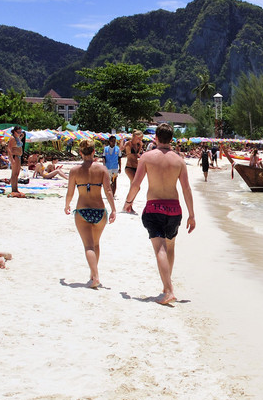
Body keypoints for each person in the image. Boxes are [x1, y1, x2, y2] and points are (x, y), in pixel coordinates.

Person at [122, 123, 195, 305]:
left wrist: (128, 202)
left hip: (154, 207)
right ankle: (166, 286)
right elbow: (186, 188)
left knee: (160, 249)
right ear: (171, 139)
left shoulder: (146, 157)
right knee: (170, 247)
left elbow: (136, 184)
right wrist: (192, 215)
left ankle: (168, 289)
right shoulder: (178, 160)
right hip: (174, 209)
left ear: (156, 138)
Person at [64, 140, 117, 288]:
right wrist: (113, 209)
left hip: (82, 211)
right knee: (96, 244)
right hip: (100, 211)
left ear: (80, 153)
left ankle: (95, 276)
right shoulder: (101, 169)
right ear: (94, 152)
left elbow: (70, 192)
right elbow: (108, 191)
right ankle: (93, 274)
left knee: (88, 246)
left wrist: (67, 205)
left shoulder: (74, 171)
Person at [7, 127, 25, 197]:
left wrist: (20, 137)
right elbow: (9, 149)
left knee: (17, 173)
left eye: (20, 132)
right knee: (14, 174)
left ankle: (16, 189)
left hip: (18, 156)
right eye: (18, 132)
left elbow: (18, 145)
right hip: (15, 156)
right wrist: (11, 159)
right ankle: (13, 189)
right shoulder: (12, 138)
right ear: (14, 132)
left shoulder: (17, 138)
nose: (20, 133)